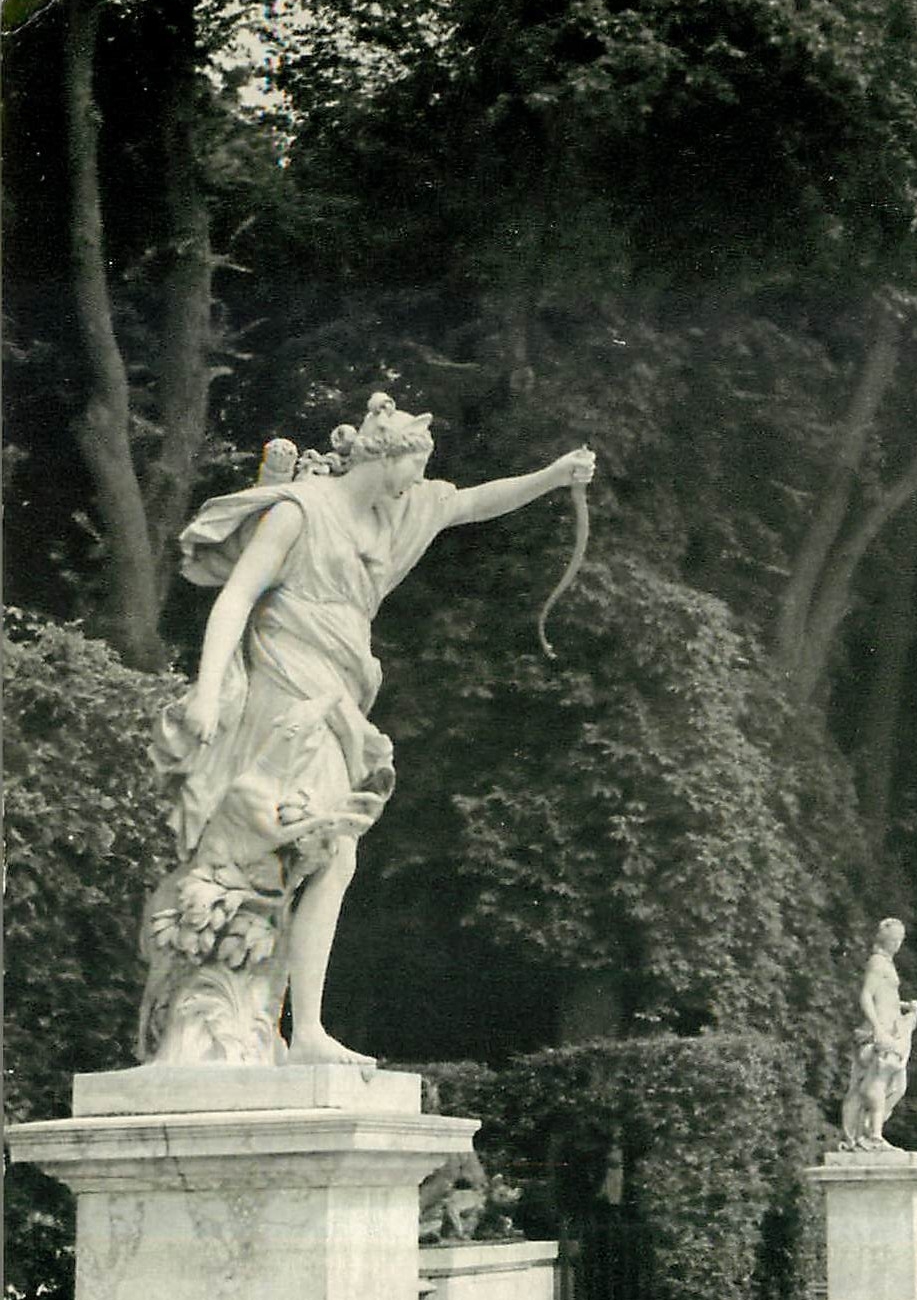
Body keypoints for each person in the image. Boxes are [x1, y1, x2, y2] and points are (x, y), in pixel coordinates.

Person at [139, 393, 596, 1065]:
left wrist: (552, 477)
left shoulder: (400, 515)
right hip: (281, 691)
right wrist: (207, 693)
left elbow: (473, 502)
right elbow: (235, 596)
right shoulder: (301, 510)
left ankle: (304, 1029)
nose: (421, 479)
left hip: (337, 695)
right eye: (417, 464)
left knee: (332, 846)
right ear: (386, 460)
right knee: (272, 835)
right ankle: (230, 1023)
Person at [840, 917, 917, 1149]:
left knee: (896, 1086)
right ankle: (871, 1135)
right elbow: (866, 996)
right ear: (890, 940)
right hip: (879, 1033)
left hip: (891, 1030)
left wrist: (905, 1006)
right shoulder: (877, 962)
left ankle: (869, 1131)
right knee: (878, 1084)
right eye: (897, 939)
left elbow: (886, 997)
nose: (899, 944)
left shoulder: (886, 963)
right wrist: (878, 1029)